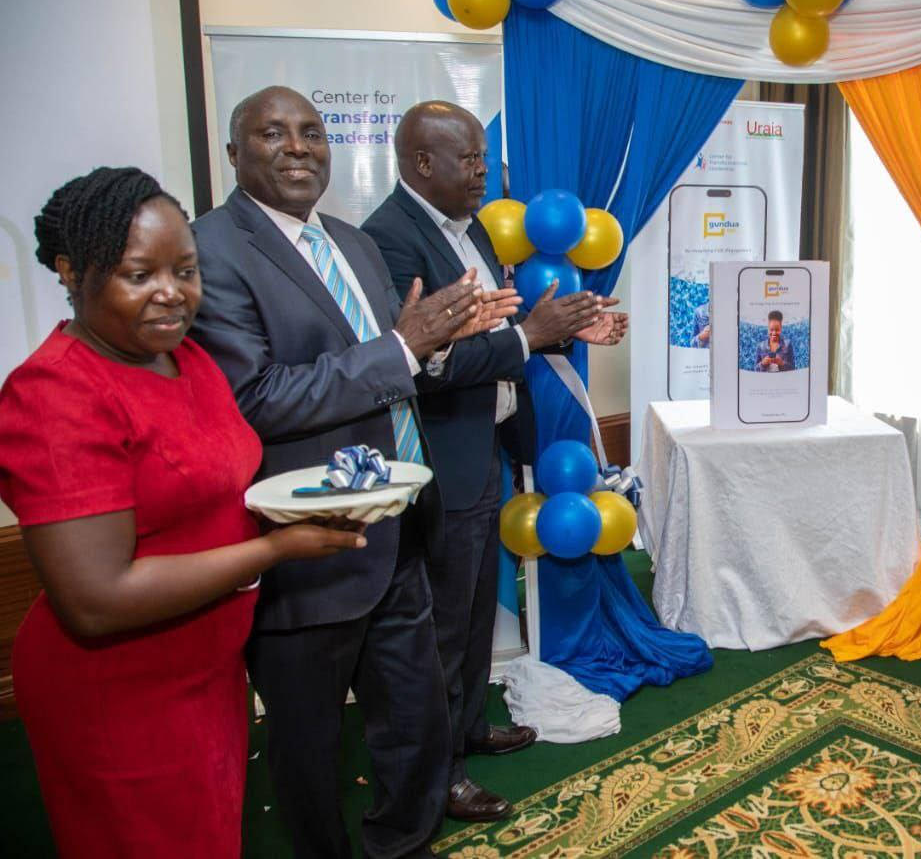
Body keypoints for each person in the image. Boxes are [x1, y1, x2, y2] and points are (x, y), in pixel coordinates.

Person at [0, 167, 365, 857]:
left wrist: (298, 512)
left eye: (186, 271)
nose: (172, 292)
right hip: (120, 689)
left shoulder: (187, 358)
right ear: (71, 272)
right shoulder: (54, 393)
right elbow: (97, 599)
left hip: (208, 665)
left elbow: (211, 495)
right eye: (139, 275)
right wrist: (274, 550)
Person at [188, 87, 514, 858]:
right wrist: (403, 348)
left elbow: (395, 360)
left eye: (311, 132)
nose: (299, 147)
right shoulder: (212, 249)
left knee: (414, 720)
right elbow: (254, 397)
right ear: (234, 154)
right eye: (273, 134)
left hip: (399, 521)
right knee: (310, 744)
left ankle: (404, 842)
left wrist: (438, 340)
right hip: (310, 542)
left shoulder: (351, 242)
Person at [362, 100, 627, 820]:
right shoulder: (389, 239)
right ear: (423, 163)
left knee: (479, 604)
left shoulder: (471, 226)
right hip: (442, 455)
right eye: (470, 158)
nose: (485, 171)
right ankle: (442, 773)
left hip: (487, 444)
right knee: (446, 622)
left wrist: (567, 329)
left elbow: (499, 328)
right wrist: (531, 335)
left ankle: (470, 727)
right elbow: (425, 366)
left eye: (484, 157)